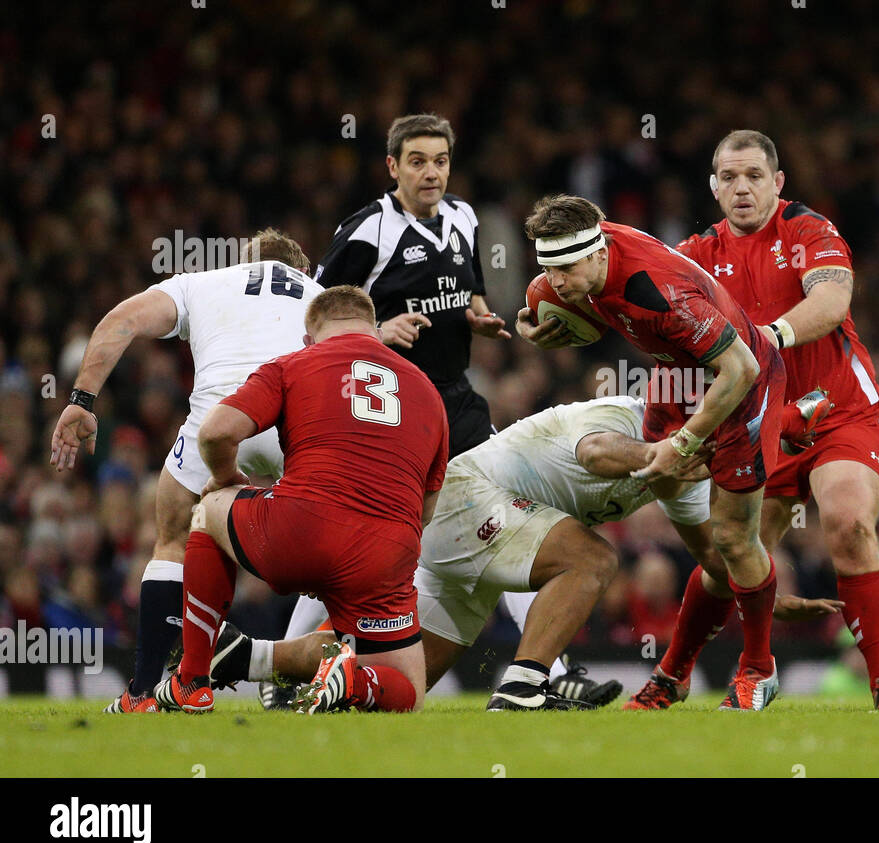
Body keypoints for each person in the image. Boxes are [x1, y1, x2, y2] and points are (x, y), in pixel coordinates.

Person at [199, 397, 842, 710]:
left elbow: (716, 557)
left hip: (470, 531)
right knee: (591, 560)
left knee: (406, 683)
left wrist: (766, 595)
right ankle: (525, 686)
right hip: (466, 499)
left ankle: (244, 657)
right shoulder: (640, 421)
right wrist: (661, 456)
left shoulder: (684, 475)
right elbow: (594, 453)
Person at [295, 112, 611, 702]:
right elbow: (312, 320)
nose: (431, 172)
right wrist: (378, 332)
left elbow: (463, 289)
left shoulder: (463, 217)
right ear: (392, 167)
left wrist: (477, 317)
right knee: (364, 544)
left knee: (515, 513)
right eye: (416, 161)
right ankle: (297, 667)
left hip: (457, 402)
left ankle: (550, 669)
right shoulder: (369, 232)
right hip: (388, 416)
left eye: (440, 160)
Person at [626, 130, 879, 711]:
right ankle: (673, 674)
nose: (742, 188)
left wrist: (766, 339)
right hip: (762, 421)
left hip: (838, 410)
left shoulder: (810, 230)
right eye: (729, 178)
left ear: (777, 183)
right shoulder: (691, 258)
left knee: (847, 521)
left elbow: (831, 301)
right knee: (732, 556)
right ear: (713, 188)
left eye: (754, 176)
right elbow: (666, 338)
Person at [517, 196, 788, 710]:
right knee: (701, 539)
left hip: (739, 386)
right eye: (548, 269)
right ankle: (675, 674)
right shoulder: (579, 259)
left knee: (733, 537)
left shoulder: (660, 293)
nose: (557, 283)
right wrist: (537, 329)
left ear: (598, 254)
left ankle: (758, 667)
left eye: (566, 269)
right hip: (674, 372)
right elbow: (559, 300)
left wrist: (682, 442)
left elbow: (743, 368)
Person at [49, 229, 325, 713]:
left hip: (222, 416)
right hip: (297, 423)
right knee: (337, 544)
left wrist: (81, 400)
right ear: (302, 270)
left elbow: (124, 319)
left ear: (243, 262)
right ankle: (326, 672)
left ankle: (149, 692)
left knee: (175, 536)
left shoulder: (204, 281)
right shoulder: (322, 296)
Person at [152, 285, 448, 713]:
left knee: (206, 512)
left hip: (298, 530)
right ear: (374, 331)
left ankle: (191, 680)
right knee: (406, 690)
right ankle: (355, 682)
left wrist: (224, 479)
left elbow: (216, 431)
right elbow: (426, 509)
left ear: (309, 337)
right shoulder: (428, 391)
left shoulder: (293, 364)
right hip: (386, 554)